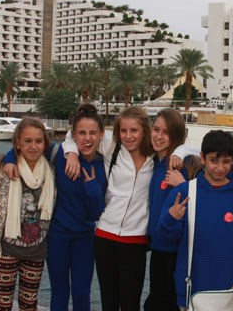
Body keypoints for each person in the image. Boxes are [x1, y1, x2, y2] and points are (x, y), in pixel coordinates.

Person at [3, 104, 107, 310]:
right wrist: (9, 161)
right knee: (60, 293)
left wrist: (93, 189)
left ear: (101, 135)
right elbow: (25, 149)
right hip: (56, 236)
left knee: (81, 294)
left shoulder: (104, 164)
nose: (87, 138)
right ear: (73, 136)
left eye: (93, 133)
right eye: (82, 133)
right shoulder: (59, 154)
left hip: (85, 237)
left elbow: (95, 213)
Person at [157, 130, 233, 309]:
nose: (220, 167)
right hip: (192, 289)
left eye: (226, 161)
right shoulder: (184, 192)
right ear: (202, 158)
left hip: (231, 292)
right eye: (214, 160)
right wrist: (171, 219)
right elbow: (164, 237)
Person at [0, 117, 56, 311]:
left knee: (29, 303)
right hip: (7, 247)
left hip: (36, 249)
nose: (33, 146)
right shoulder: (6, 169)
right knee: (3, 303)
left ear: (45, 143)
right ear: (17, 143)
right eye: (27, 141)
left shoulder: (50, 170)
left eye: (38, 141)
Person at [92, 106, 155, 311]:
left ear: (144, 130)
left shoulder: (156, 157)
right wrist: (72, 155)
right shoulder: (111, 149)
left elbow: (188, 148)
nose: (128, 136)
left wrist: (179, 153)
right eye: (123, 130)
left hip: (136, 240)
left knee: (131, 303)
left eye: (134, 130)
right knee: (109, 302)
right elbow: (73, 136)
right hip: (105, 236)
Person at [144, 108, 201, 311]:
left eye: (166, 132)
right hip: (157, 248)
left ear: (176, 135)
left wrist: (183, 184)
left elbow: (201, 203)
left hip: (177, 252)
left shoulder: (184, 165)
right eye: (156, 129)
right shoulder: (154, 162)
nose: (159, 136)